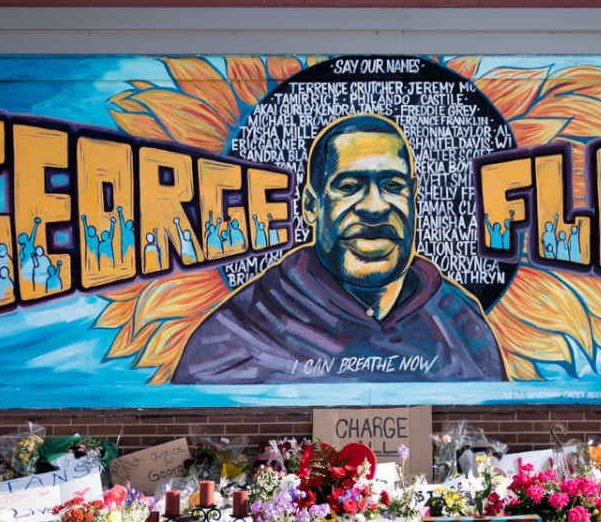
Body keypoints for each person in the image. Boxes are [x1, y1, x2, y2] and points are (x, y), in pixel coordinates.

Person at [172, 114, 505, 384]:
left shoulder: (461, 325)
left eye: (393, 185)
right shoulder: (237, 333)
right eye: (349, 186)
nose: (375, 208)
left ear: (413, 197)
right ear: (310, 205)